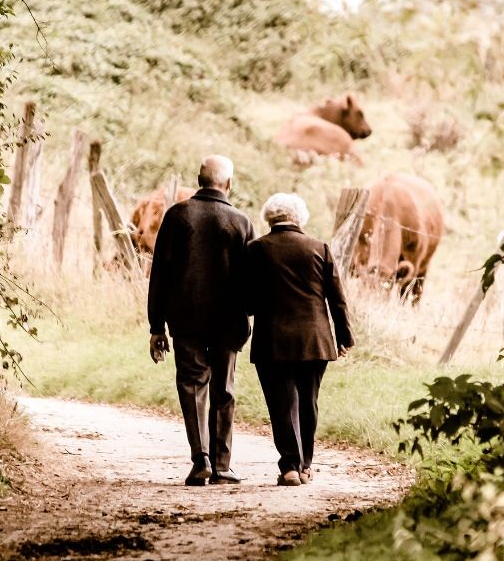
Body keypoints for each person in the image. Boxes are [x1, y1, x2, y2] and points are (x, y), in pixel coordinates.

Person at [147, 155, 255, 486]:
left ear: (198, 179)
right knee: (224, 389)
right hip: (229, 321)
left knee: (192, 386)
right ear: (229, 184)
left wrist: (156, 326)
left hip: (186, 319)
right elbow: (252, 279)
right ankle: (223, 466)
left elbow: (160, 275)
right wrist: (248, 315)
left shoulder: (177, 216)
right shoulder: (240, 222)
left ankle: (201, 460)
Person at [244, 193, 354, 486]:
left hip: (272, 341)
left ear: (269, 217)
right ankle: (305, 465)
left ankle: (289, 466)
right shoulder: (320, 248)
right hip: (315, 340)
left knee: (281, 404)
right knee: (309, 402)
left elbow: (247, 301)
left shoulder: (256, 249)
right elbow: (337, 300)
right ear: (300, 217)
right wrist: (344, 337)